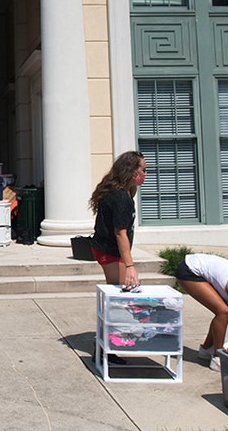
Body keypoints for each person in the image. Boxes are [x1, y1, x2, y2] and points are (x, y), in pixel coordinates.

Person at [88, 150, 145, 366]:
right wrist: (130, 266)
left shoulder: (122, 192)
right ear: (131, 171)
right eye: (143, 170)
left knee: (118, 298)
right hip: (109, 251)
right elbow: (120, 232)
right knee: (118, 299)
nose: (146, 174)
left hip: (107, 249)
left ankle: (106, 346)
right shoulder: (121, 197)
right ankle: (105, 349)